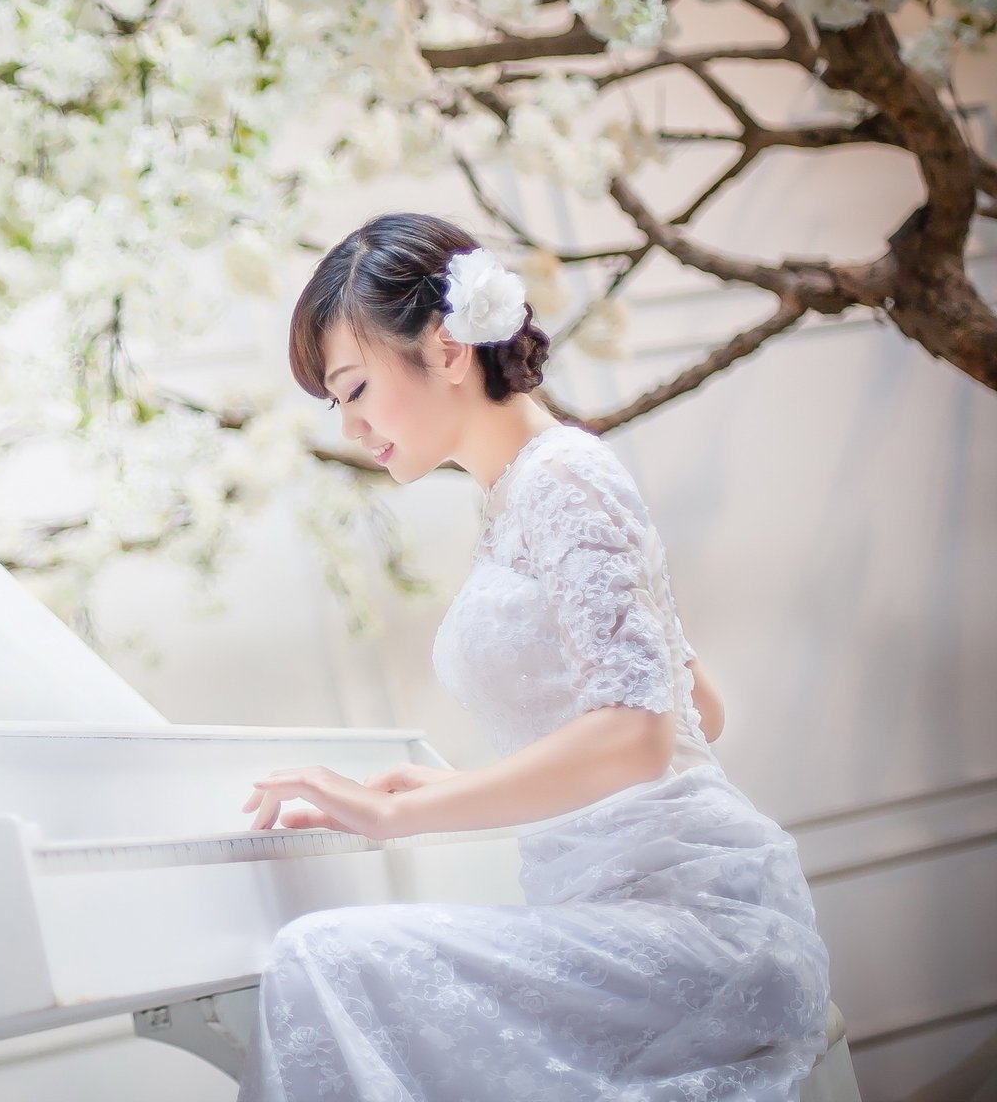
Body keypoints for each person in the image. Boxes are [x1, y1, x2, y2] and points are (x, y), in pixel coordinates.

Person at [235, 212, 831, 1101]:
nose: (351, 426)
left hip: (694, 928)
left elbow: (641, 735)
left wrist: (400, 815)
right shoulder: (524, 493)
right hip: (615, 911)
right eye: (336, 403)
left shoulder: (563, 477)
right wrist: (439, 788)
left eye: (354, 388)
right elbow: (695, 710)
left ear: (445, 349)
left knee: (324, 956)